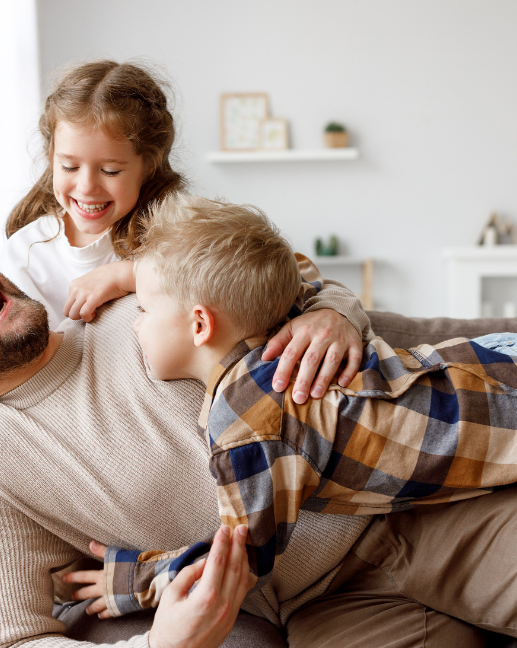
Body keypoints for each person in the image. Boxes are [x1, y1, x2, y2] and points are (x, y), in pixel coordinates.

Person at [0, 249, 517, 648]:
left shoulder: (128, 299)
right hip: (335, 608)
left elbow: (282, 268)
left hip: (431, 498)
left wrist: (332, 310)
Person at [0, 60, 372, 531]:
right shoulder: (29, 252)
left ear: (148, 163)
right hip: (97, 440)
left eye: (111, 170)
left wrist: (128, 274)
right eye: (69, 166)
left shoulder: (175, 225)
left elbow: (288, 273)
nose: (87, 187)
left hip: (201, 423)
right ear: (50, 155)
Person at [61, 194, 517, 619]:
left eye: (142, 309)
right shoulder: (277, 320)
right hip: (489, 368)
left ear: (200, 324)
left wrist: (134, 581)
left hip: (499, 401)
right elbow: (286, 271)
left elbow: (239, 562)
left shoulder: (248, 424)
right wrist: (129, 274)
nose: (136, 326)